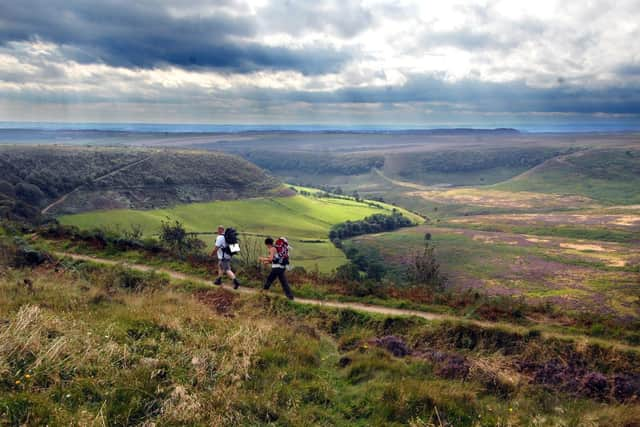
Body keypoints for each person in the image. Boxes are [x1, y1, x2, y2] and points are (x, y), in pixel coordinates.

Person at [212, 225, 241, 289]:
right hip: (227, 255)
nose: (217, 231)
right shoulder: (226, 236)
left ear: (220, 230)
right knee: (220, 266)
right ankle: (218, 280)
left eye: (218, 229)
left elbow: (216, 248)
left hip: (224, 257)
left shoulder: (220, 237)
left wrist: (212, 254)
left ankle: (236, 282)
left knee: (227, 270)